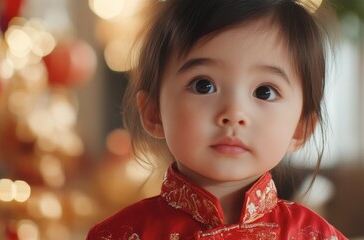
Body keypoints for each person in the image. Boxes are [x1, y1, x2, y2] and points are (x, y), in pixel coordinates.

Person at [87, 0, 347, 239]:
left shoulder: (316, 236)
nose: (234, 113)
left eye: (264, 92)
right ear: (153, 111)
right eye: (203, 85)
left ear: (300, 129)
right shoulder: (117, 234)